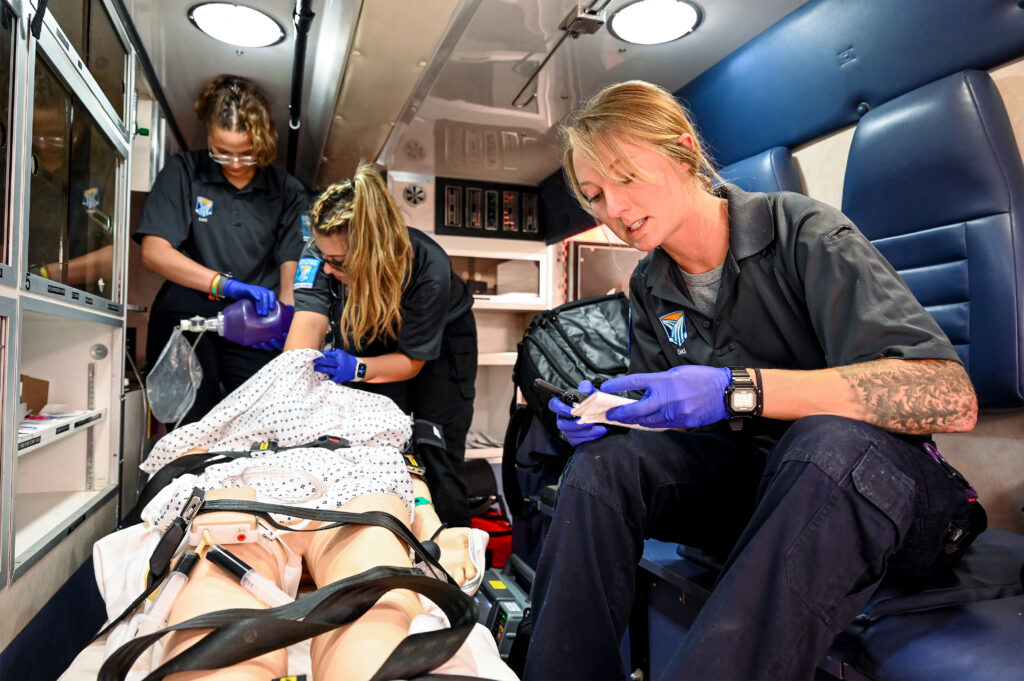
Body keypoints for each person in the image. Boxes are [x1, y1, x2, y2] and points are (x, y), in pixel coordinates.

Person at [523, 80, 981, 681]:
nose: (614, 210)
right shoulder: (651, 287)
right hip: (763, 492)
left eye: (627, 177)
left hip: (880, 494)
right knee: (605, 470)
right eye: (594, 195)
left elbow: (950, 398)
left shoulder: (803, 232)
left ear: (684, 153)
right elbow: (670, 437)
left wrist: (738, 388)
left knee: (826, 444)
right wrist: (609, 417)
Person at [282, 163, 478, 528]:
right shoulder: (320, 252)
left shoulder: (427, 267)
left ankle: (453, 558)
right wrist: (287, 395)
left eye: (338, 263)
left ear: (371, 253)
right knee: (374, 444)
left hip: (440, 347)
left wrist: (357, 368)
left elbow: (411, 361)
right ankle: (387, 543)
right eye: (323, 257)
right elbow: (308, 320)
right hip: (370, 330)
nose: (327, 269)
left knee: (436, 452)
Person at [134, 74, 309, 427]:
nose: (234, 164)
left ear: (263, 143)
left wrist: (284, 324)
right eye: (222, 152)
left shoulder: (287, 190)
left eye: (246, 154)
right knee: (191, 422)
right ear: (208, 137)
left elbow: (292, 275)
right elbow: (154, 251)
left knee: (255, 419)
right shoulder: (184, 172)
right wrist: (225, 284)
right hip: (188, 313)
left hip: (253, 319)